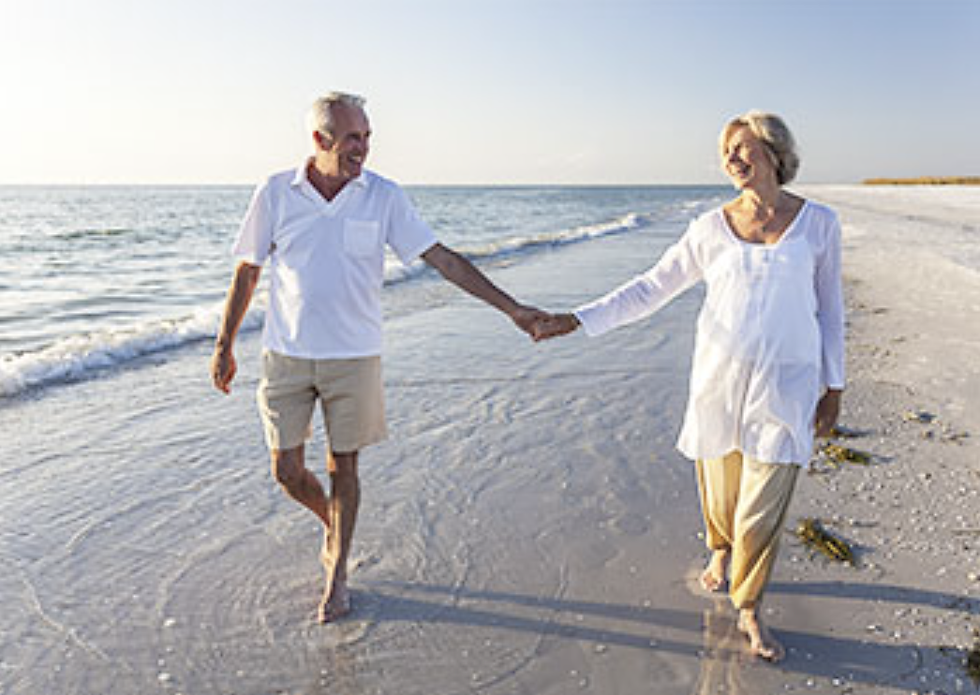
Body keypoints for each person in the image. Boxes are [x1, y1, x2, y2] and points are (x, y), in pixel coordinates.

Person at [210, 92, 546, 623]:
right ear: (320, 140)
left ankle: (337, 572)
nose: (363, 148)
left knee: (345, 467)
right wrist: (224, 344)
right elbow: (248, 270)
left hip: (355, 357)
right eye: (352, 138)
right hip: (286, 355)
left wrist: (512, 309)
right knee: (287, 471)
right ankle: (332, 524)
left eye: (367, 137)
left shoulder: (383, 196)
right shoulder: (275, 192)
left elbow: (443, 261)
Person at [533, 111, 845, 662]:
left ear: (774, 153)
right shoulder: (708, 228)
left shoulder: (818, 224)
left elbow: (830, 311)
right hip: (719, 382)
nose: (731, 159)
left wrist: (834, 385)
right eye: (726, 151)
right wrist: (577, 318)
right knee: (721, 494)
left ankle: (749, 607)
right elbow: (652, 287)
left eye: (742, 148)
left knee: (763, 501)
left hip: (787, 384)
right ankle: (719, 551)